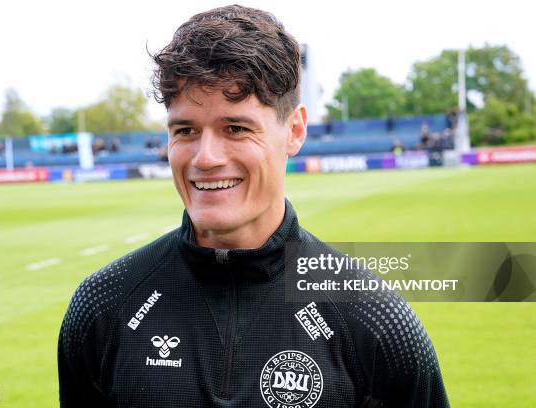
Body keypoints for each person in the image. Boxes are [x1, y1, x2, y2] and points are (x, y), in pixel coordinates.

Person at [57, 5, 449, 407]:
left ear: (294, 131)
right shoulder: (104, 306)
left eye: (236, 128)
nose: (205, 157)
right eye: (186, 130)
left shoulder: (373, 317)